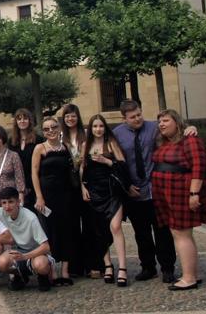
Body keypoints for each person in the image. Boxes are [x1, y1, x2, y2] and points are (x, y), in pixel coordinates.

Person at [112, 99, 180, 283]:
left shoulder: (154, 127)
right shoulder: (117, 134)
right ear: (124, 118)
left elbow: (176, 131)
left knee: (162, 232)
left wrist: (190, 129)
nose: (137, 118)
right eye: (133, 117)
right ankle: (148, 267)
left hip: (156, 189)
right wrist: (126, 186)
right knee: (141, 233)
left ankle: (167, 268)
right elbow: (116, 163)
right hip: (133, 192)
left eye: (139, 114)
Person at [152, 109, 206, 291]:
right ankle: (192, 273)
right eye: (160, 122)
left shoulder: (190, 140)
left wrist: (194, 193)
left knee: (181, 234)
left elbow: (199, 167)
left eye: (165, 121)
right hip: (167, 194)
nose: (161, 124)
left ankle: (189, 278)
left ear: (177, 122)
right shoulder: (164, 141)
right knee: (181, 234)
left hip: (181, 193)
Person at [82, 114, 130, 287]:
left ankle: (123, 268)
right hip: (94, 192)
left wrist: (107, 161)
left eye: (100, 126)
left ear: (105, 127)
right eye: (94, 126)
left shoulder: (111, 143)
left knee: (115, 227)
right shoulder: (85, 145)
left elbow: (123, 167)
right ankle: (108, 265)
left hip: (112, 190)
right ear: (90, 128)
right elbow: (82, 170)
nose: (98, 129)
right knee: (100, 230)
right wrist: (83, 187)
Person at [31, 116, 78, 286]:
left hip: (66, 195)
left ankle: (65, 270)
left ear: (59, 128)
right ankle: (51, 270)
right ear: (43, 132)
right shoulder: (40, 148)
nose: (50, 131)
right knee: (50, 232)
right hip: (47, 197)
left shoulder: (65, 147)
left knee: (66, 231)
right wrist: (39, 196)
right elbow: (34, 173)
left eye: (53, 127)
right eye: (46, 129)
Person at [0, 187, 53, 292]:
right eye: (4, 203)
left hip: (36, 252)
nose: (7, 206)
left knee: (41, 265)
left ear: (18, 201)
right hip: (18, 249)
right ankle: (21, 276)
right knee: (2, 263)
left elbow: (46, 246)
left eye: (11, 202)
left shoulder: (30, 218)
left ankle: (43, 277)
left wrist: (25, 256)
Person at [60, 103, 90, 276]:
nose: (70, 119)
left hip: (83, 183)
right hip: (68, 186)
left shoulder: (84, 135)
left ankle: (91, 262)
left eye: (73, 115)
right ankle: (74, 265)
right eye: (67, 116)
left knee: (87, 224)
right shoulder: (61, 137)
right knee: (71, 226)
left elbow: (85, 162)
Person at [9, 108, 44, 211]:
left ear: (30, 121)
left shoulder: (38, 139)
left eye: (25, 118)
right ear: (16, 122)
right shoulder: (12, 141)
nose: (22, 121)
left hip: (34, 183)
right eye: (19, 119)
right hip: (17, 183)